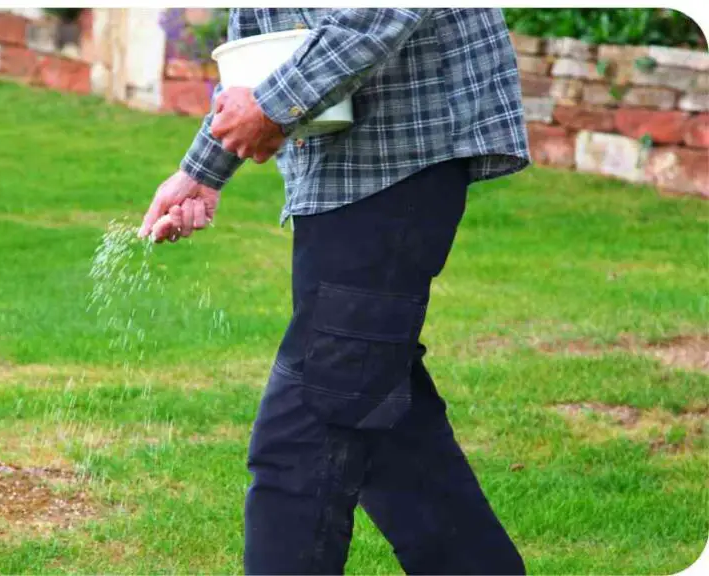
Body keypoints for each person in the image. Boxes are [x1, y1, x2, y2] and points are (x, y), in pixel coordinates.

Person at [139, 8, 530, 575]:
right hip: (336, 172)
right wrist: (204, 168)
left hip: (398, 157)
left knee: (305, 430)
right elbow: (259, 38)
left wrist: (274, 107)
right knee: (379, 409)